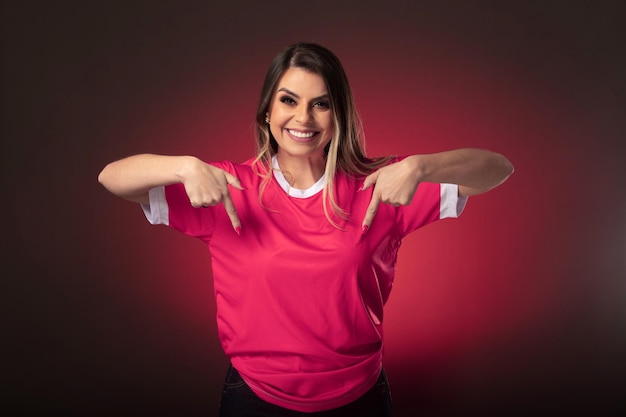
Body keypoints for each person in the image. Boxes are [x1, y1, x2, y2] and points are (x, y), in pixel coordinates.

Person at [98, 42, 513, 416]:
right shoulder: (226, 186)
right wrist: (184, 166)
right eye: (288, 100)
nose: (303, 117)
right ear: (267, 110)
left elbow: (497, 169)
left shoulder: (382, 184)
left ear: (339, 114)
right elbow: (111, 178)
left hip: (360, 399)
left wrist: (421, 166)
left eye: (321, 103)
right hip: (254, 399)